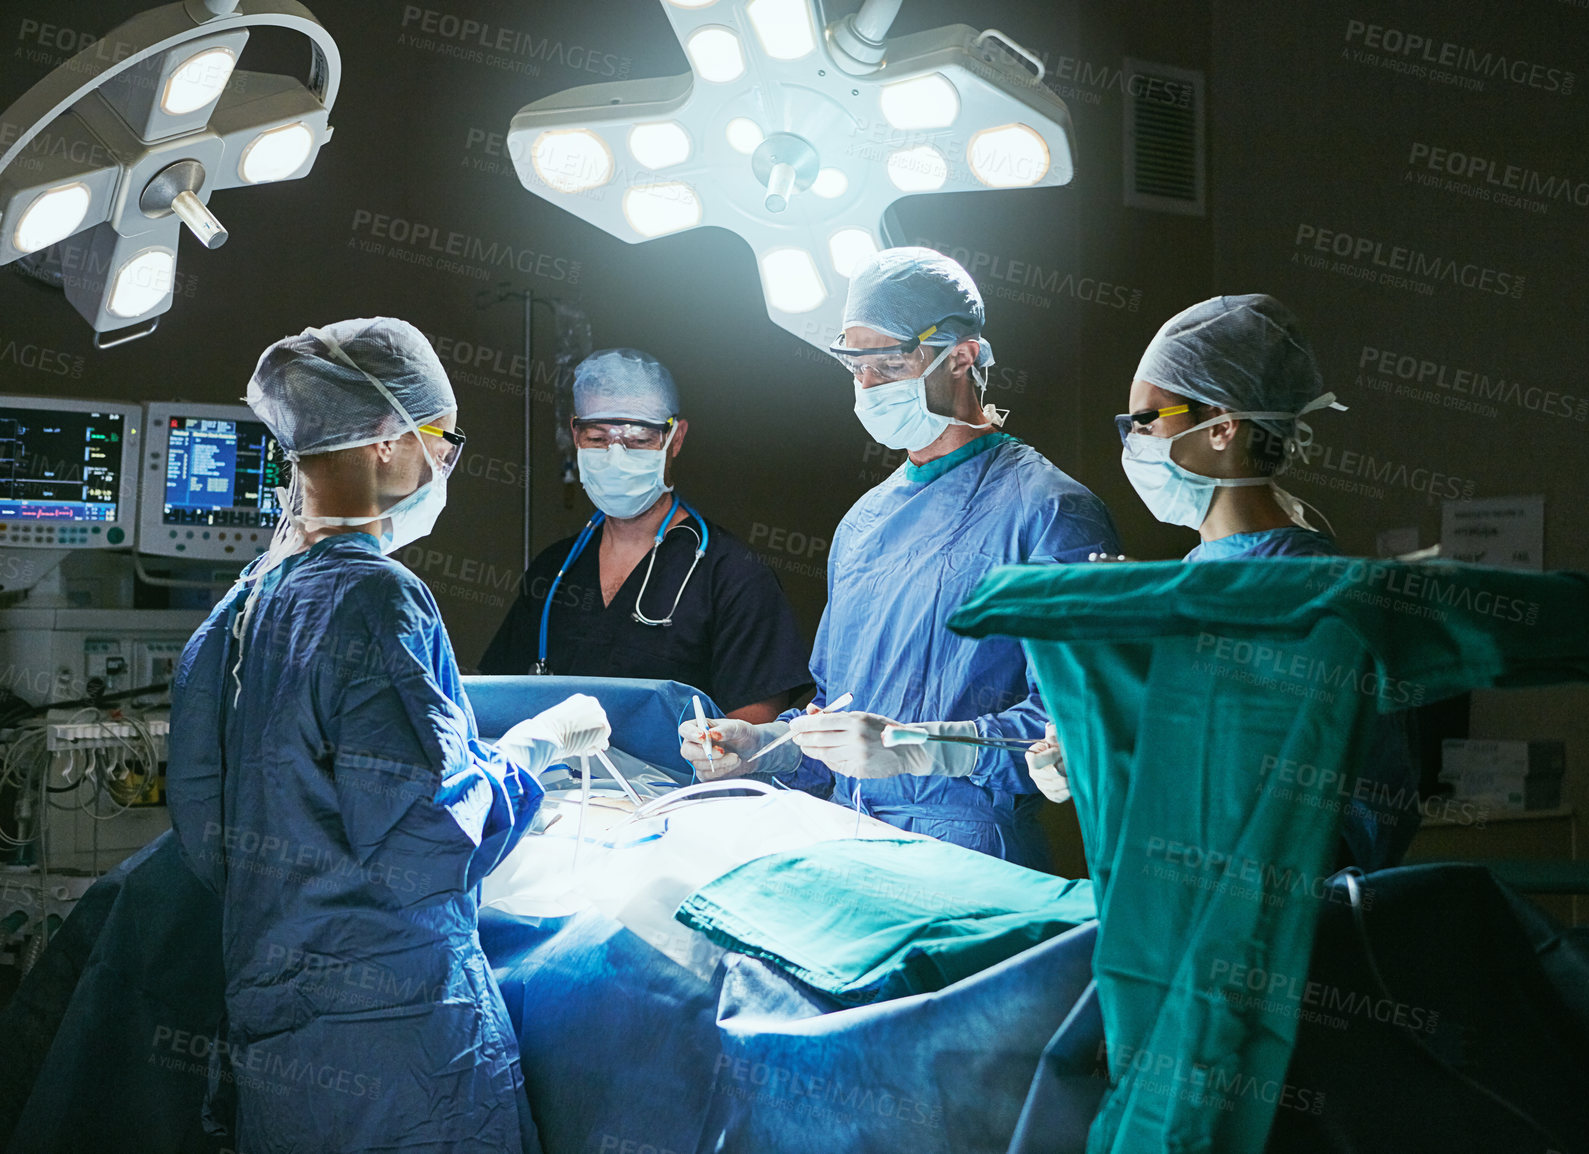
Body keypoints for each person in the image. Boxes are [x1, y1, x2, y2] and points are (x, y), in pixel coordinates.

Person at [166, 318, 610, 1154]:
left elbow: (207, 833)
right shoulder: (376, 600)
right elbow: (424, 841)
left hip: (280, 1040)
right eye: (440, 440)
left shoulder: (240, 610)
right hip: (399, 1050)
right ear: (384, 438)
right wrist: (530, 755)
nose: (445, 465)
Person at [678, 248, 1120, 867]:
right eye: (855, 367)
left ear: (962, 357)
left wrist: (917, 748)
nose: (868, 387)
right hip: (844, 842)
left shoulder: (1051, 513)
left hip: (972, 857)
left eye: (888, 363)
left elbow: (1075, 726)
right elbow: (836, 708)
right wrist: (769, 745)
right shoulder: (862, 523)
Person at [1025, 293, 1419, 870]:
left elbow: (1315, 807)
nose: (1132, 442)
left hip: (1286, 923)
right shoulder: (1196, 576)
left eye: (1146, 420)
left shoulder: (1309, 594)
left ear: (1222, 426)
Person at [480, 348, 810, 723]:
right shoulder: (552, 573)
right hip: (559, 781)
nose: (616, 456)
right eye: (598, 438)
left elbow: (753, 738)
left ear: (676, 438)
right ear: (575, 435)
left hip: (686, 783)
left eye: (638, 440)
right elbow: (497, 701)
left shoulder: (734, 577)